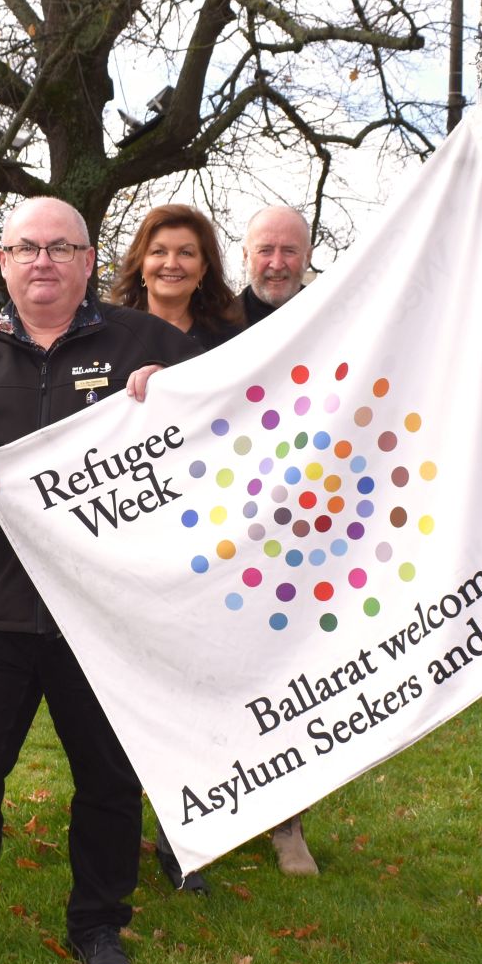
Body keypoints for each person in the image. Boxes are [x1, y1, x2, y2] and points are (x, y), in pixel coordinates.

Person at [0, 196, 195, 964]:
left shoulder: (144, 343)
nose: (42, 261)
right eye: (25, 248)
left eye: (61, 248)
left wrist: (177, 392)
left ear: (89, 260)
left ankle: (98, 924)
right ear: (2, 262)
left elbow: (231, 407)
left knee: (106, 780)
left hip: (104, 619)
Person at [134, 203, 321, 894]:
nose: (277, 262)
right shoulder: (221, 326)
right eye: (265, 249)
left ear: (308, 254)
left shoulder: (333, 316)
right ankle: (188, 817)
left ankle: (287, 820)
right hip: (211, 528)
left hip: (298, 528)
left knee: (288, 675)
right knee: (199, 678)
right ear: (245, 255)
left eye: (290, 250)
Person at [107, 203, 243, 349]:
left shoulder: (229, 340)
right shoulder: (111, 334)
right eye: (159, 251)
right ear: (141, 263)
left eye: (185, 253)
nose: (171, 264)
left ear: (203, 268)